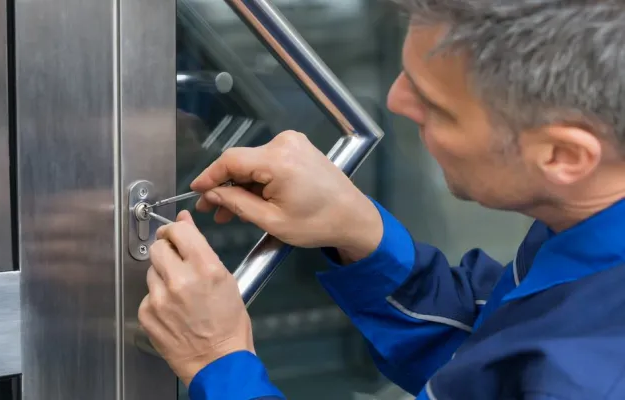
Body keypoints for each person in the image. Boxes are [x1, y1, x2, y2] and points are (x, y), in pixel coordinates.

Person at [137, 1, 625, 399]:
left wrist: (219, 363)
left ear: (564, 155)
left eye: (437, 107)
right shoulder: (587, 225)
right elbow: (487, 366)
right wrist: (361, 235)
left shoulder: (589, 377)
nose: (394, 101)